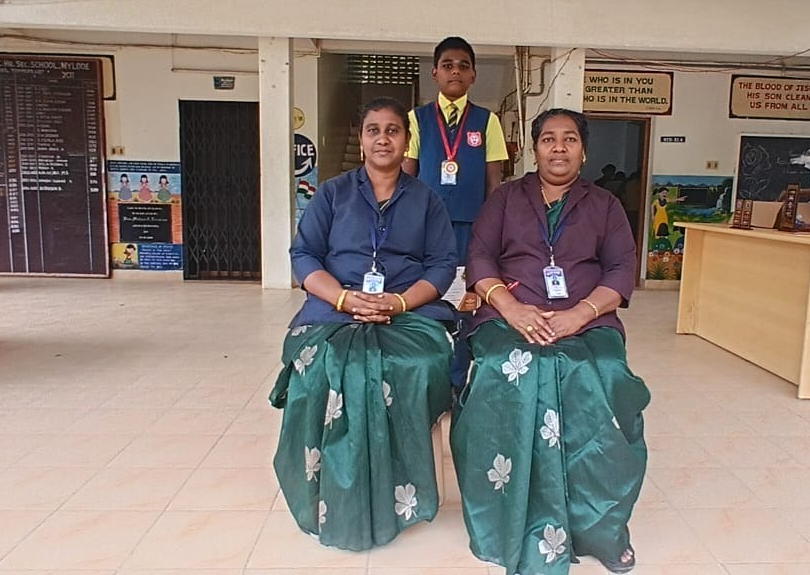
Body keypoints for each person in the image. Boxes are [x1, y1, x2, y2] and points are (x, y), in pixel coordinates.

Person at [452, 108, 651, 575]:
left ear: (584, 151)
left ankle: (600, 526)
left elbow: (622, 269)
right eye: (548, 139)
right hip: (508, 316)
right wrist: (512, 309)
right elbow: (479, 257)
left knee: (602, 374)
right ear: (534, 148)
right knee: (509, 368)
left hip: (589, 320)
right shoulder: (505, 199)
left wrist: (579, 314)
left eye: (569, 139)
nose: (558, 148)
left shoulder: (605, 205)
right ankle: (505, 518)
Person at [271, 97, 459, 550]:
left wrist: (398, 302)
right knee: (320, 367)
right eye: (373, 130)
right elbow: (304, 255)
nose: (383, 139)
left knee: (416, 364)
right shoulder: (332, 193)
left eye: (393, 130)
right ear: (361, 140)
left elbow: (441, 265)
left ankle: (403, 488)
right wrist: (341, 297)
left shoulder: (427, 200)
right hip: (334, 307)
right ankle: (329, 488)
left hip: (408, 310)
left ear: (406, 141)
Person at [403, 36, 510, 395]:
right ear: (434, 73)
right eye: (447, 65)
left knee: (465, 304)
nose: (455, 71)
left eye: (464, 66)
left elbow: (494, 183)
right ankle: (427, 381)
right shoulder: (416, 119)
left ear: (473, 75)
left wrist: (491, 233)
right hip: (425, 230)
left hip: (470, 229)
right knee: (424, 298)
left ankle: (457, 382)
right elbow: (406, 177)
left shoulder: (487, 121)